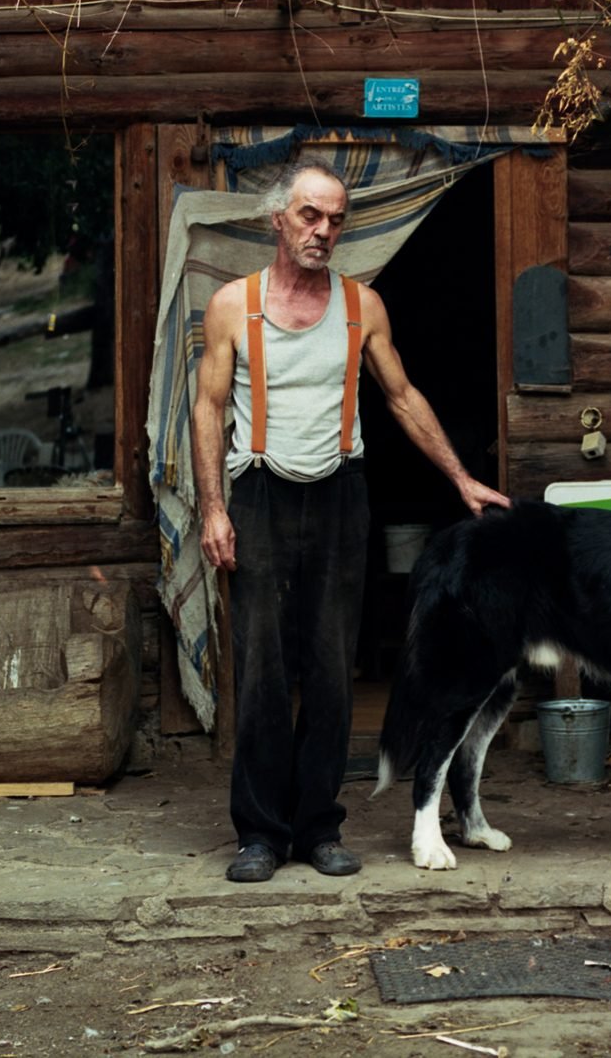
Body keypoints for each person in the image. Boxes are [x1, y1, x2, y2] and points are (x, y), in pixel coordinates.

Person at [191, 159, 510, 883]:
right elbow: (208, 408)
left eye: (335, 219)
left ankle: (318, 827)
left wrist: (461, 478)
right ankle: (260, 834)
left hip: (341, 494)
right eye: (310, 215)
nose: (323, 230)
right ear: (279, 219)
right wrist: (213, 508)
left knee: (332, 667)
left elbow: (401, 396)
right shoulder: (232, 306)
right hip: (259, 492)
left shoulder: (363, 306)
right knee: (263, 669)